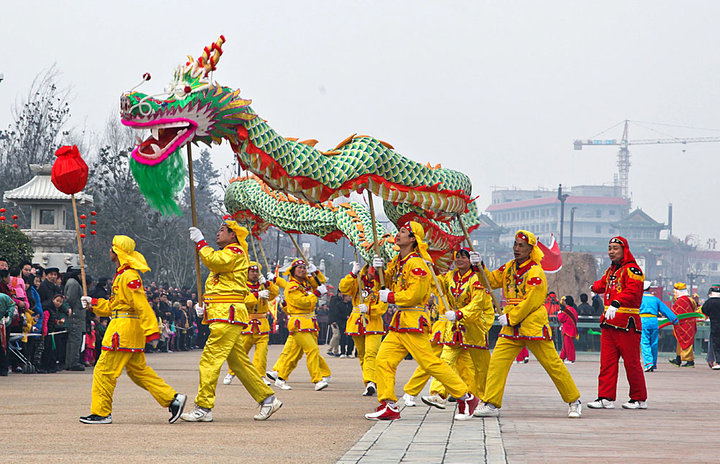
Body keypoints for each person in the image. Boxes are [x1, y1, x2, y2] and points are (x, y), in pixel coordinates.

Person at [365, 221, 477, 421]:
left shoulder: (417, 263)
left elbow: (414, 295)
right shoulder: (399, 261)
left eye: (402, 232)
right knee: (383, 360)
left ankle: (465, 396)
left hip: (413, 319)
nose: (398, 235)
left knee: (430, 363)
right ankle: (389, 404)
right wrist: (377, 271)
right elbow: (386, 282)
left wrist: (389, 297)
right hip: (400, 322)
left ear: (413, 239)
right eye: (399, 231)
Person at [471, 231, 581, 419]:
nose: (516, 248)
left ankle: (574, 400)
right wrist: (479, 266)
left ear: (531, 249)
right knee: (497, 364)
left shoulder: (535, 271)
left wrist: (511, 317)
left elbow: (532, 301)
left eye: (521, 245)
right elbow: (491, 281)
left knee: (553, 365)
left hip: (532, 326)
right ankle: (491, 402)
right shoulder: (509, 267)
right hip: (511, 327)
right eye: (515, 244)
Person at [79, 235, 186, 424]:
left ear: (117, 251)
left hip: (122, 331)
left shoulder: (128, 275)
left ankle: (101, 412)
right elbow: (115, 305)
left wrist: (152, 330)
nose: (109, 252)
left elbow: (141, 304)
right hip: (126, 328)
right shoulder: (124, 274)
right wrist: (93, 303)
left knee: (104, 371)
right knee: (139, 372)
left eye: (111, 248)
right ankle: (172, 399)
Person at [182, 220, 281, 422]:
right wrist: (204, 306)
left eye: (222, 230)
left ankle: (204, 406)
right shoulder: (228, 255)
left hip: (228, 315)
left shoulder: (234, 252)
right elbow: (220, 288)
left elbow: (213, 261)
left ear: (233, 235)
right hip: (223, 313)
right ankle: (268, 398)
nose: (217, 234)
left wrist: (201, 242)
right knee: (239, 363)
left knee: (210, 359)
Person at [423, 248, 495, 418]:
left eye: (464, 256)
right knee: (445, 361)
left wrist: (460, 314)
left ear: (471, 260)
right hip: (454, 328)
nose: (460, 259)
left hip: (474, 328)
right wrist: (428, 266)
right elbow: (435, 283)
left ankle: (481, 399)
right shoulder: (449, 276)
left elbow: (478, 304)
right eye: (458, 256)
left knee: (477, 369)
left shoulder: (478, 278)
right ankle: (438, 394)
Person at [587, 236, 647, 410]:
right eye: (610, 248)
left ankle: (639, 398)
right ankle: (605, 397)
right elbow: (602, 285)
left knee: (632, 363)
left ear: (624, 250)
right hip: (609, 323)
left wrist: (616, 302)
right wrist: (593, 286)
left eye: (615, 248)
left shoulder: (633, 270)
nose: (611, 252)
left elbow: (633, 292)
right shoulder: (611, 271)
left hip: (627, 323)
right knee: (607, 363)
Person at [265, 258, 332, 391]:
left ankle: (281, 377)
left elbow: (321, 281)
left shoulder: (306, 282)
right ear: (293, 271)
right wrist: (317, 294)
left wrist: (315, 272)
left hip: (310, 322)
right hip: (299, 322)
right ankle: (318, 380)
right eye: (299, 268)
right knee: (312, 350)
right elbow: (303, 302)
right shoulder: (292, 287)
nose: (302, 270)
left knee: (294, 354)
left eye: (304, 267)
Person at [223, 261, 279, 386]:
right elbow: (243, 300)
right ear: (247, 273)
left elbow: (274, 294)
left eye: (256, 271)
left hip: (262, 323)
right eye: (252, 271)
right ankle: (231, 372)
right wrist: (257, 294)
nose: (254, 274)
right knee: (241, 351)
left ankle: (260, 375)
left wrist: (267, 283)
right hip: (247, 323)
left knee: (262, 353)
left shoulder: (263, 285)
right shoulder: (242, 285)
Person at [339, 262, 388, 396]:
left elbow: (383, 307)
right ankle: (370, 383)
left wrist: (370, 309)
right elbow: (343, 288)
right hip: (357, 321)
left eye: (376, 270)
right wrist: (352, 273)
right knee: (361, 354)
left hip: (374, 322)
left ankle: (371, 381)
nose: (373, 272)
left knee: (371, 353)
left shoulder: (383, 284)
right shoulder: (358, 281)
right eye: (371, 269)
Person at [640, 281, 678, 372]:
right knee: (654, 343)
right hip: (654, 321)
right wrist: (675, 320)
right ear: (649, 288)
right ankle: (653, 363)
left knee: (645, 342)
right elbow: (666, 310)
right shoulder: (655, 299)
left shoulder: (639, 298)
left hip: (642, 321)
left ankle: (648, 363)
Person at [668, 282, 698, 368]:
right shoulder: (689, 299)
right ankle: (678, 358)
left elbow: (676, 312)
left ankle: (689, 360)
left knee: (686, 342)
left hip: (684, 324)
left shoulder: (682, 300)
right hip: (689, 324)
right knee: (680, 342)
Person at [64, 267, 86, 371]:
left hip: (78, 316)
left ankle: (72, 361)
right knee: (74, 340)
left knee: (76, 340)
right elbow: (70, 299)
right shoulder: (73, 283)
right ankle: (72, 362)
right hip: (75, 316)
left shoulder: (74, 283)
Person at [701, 285, 720, 369]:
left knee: (715, 343)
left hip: (715, 325)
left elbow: (704, 310)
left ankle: (717, 361)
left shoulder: (709, 302)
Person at [558, 295, 579, 364]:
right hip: (571, 329)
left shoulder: (567, 310)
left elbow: (561, 319)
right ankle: (562, 357)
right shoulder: (573, 310)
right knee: (565, 345)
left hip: (568, 330)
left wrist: (559, 313)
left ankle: (571, 359)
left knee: (569, 345)